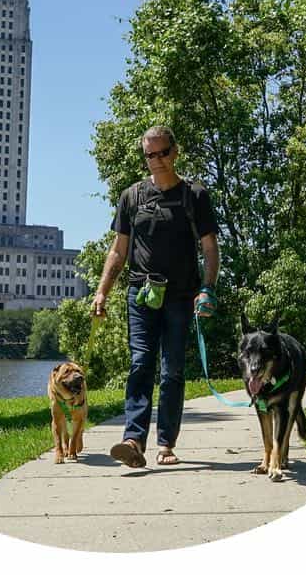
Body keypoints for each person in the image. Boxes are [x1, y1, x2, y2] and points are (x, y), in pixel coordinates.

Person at [91, 126, 220, 467]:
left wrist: (207, 289)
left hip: (181, 295)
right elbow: (118, 250)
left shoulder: (195, 195)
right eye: (151, 155)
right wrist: (102, 291)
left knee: (172, 370)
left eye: (163, 153)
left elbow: (209, 248)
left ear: (175, 152)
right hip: (140, 294)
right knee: (140, 363)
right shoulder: (131, 196)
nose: (158, 160)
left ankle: (166, 444)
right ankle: (133, 440)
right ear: (144, 157)